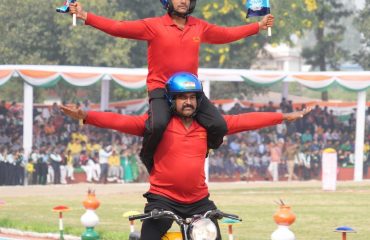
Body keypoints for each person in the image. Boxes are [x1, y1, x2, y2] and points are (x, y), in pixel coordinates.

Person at [60, 72, 309, 240]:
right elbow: (120, 121)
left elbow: (245, 121)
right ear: (171, 100)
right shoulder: (158, 125)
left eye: (192, 97)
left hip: (200, 202)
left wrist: (283, 117)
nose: (188, 102)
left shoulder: (208, 126)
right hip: (162, 200)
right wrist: (85, 115)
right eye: (182, 98)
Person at [69, 0, 275, 173]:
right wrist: (85, 15)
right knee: (157, 125)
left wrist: (258, 26)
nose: (183, 1)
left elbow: (225, 34)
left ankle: (202, 150)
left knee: (219, 125)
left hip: (190, 91)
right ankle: (147, 156)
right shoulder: (153, 25)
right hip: (161, 89)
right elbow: (118, 28)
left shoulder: (198, 26)